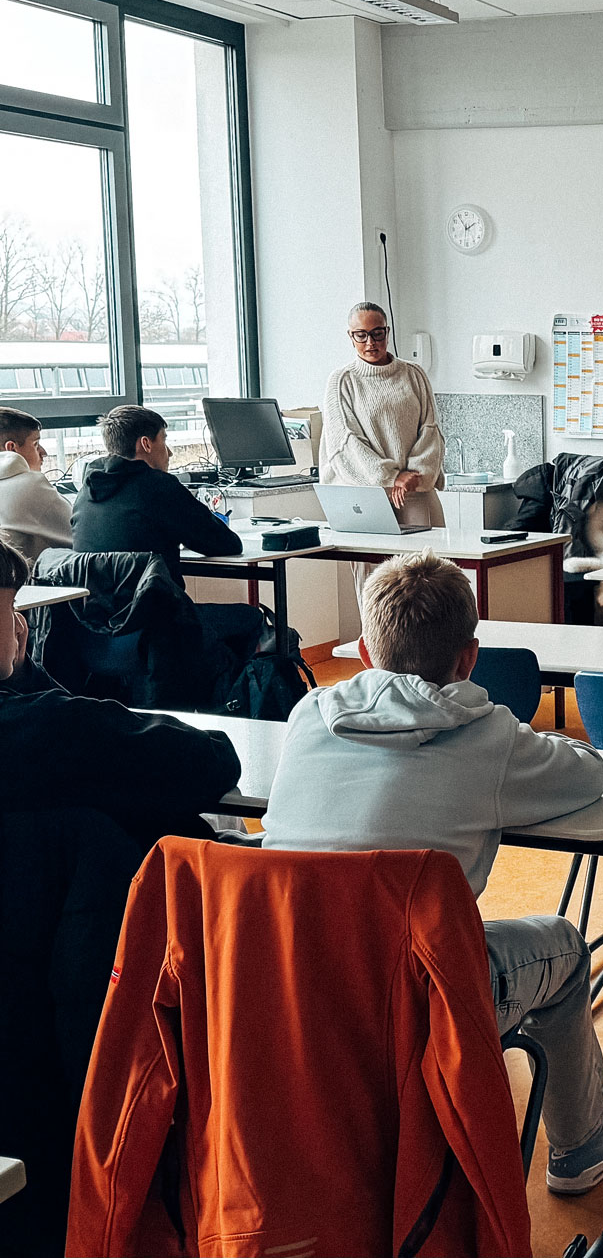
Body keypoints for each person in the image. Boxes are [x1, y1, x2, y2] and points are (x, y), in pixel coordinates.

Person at [262, 550, 603, 1195]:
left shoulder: (308, 716)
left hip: (287, 990)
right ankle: (580, 1151)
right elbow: (588, 776)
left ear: (363, 653)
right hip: (417, 1003)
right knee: (563, 946)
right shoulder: (490, 737)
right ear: (469, 658)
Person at [0, 536, 241, 1258]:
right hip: (66, 1073)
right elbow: (209, 760)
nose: (20, 624)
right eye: (8, 610)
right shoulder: (53, 735)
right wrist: (28, 681)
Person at [320, 303, 445, 608]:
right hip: (366, 495)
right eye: (361, 335)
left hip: (415, 490)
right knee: (373, 587)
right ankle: (376, 641)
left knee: (428, 579)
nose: (370, 342)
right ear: (350, 336)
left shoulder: (413, 374)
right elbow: (345, 442)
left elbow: (430, 428)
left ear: (387, 332)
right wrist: (391, 477)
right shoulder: (342, 381)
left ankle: (430, 641)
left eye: (377, 333)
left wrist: (415, 475)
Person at [71, 404, 243, 589]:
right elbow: (227, 544)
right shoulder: (159, 486)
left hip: (96, 606)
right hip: (154, 605)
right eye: (164, 440)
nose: (170, 452)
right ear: (146, 444)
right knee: (252, 608)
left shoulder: (86, 492)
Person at [0, 406, 72, 566]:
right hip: (32, 579)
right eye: (36, 444)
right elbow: (81, 537)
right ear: (12, 448)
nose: (43, 452)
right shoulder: (31, 486)